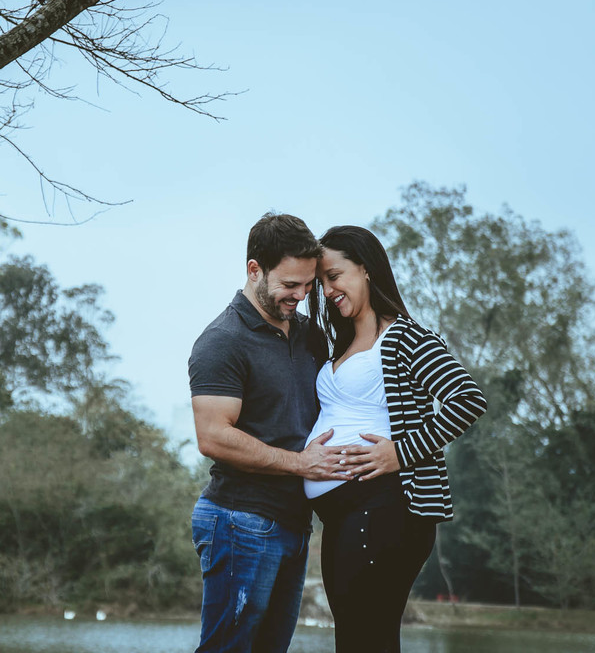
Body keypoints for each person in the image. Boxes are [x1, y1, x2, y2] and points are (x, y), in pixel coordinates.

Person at [304, 225, 487, 652]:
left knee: (367, 639)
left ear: (365, 269)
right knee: (359, 639)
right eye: (322, 282)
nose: (327, 289)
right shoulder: (343, 344)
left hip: (386, 506)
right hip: (345, 514)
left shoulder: (403, 336)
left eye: (335, 275)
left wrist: (399, 453)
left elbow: (467, 399)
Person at [189, 212, 353, 653]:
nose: (299, 296)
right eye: (289, 285)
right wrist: (301, 463)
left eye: (307, 286)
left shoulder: (309, 336)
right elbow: (213, 436)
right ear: (254, 270)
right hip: (239, 520)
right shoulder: (222, 340)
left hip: (293, 525)